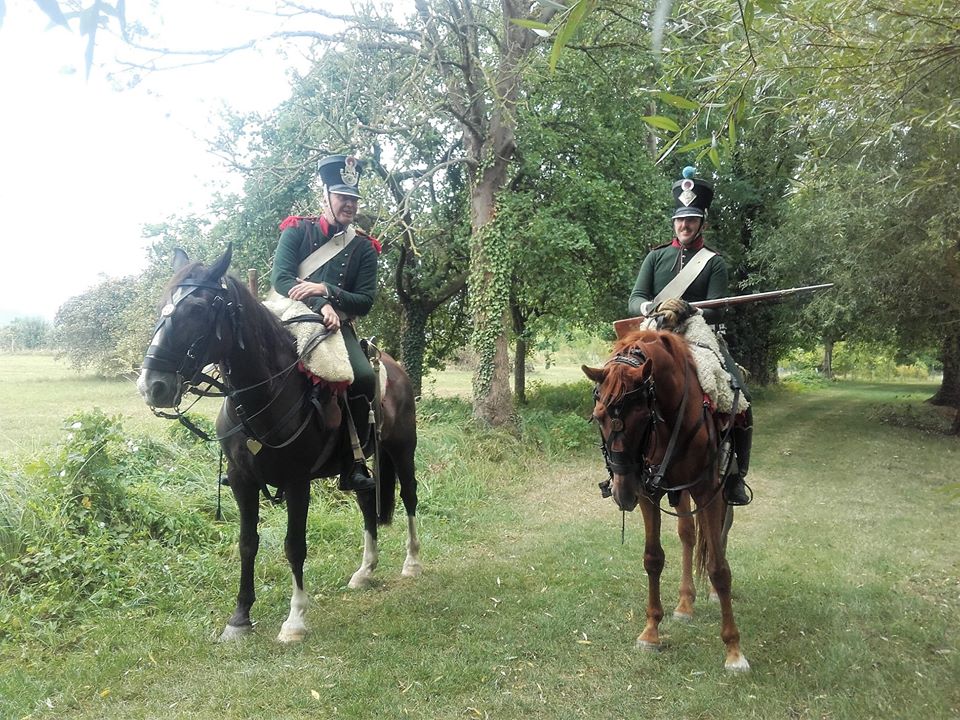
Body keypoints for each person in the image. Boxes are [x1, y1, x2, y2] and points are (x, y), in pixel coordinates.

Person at [627, 166, 752, 506]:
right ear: (674, 222)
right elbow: (636, 298)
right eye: (680, 220)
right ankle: (623, 470)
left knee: (737, 393)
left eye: (692, 220)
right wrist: (651, 308)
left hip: (698, 335)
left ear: (702, 223)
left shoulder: (714, 263)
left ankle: (735, 476)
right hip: (655, 333)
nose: (685, 226)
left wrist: (684, 308)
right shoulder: (656, 258)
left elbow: (716, 309)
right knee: (619, 387)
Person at [270, 154, 381, 492]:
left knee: (362, 377)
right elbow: (281, 279)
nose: (349, 204)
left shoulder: (364, 247)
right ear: (326, 197)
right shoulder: (297, 230)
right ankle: (241, 451)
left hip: (335, 328)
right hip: (288, 316)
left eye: (353, 199)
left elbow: (365, 300)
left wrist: (328, 290)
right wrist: (320, 302)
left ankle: (353, 463)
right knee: (248, 358)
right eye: (342, 197)